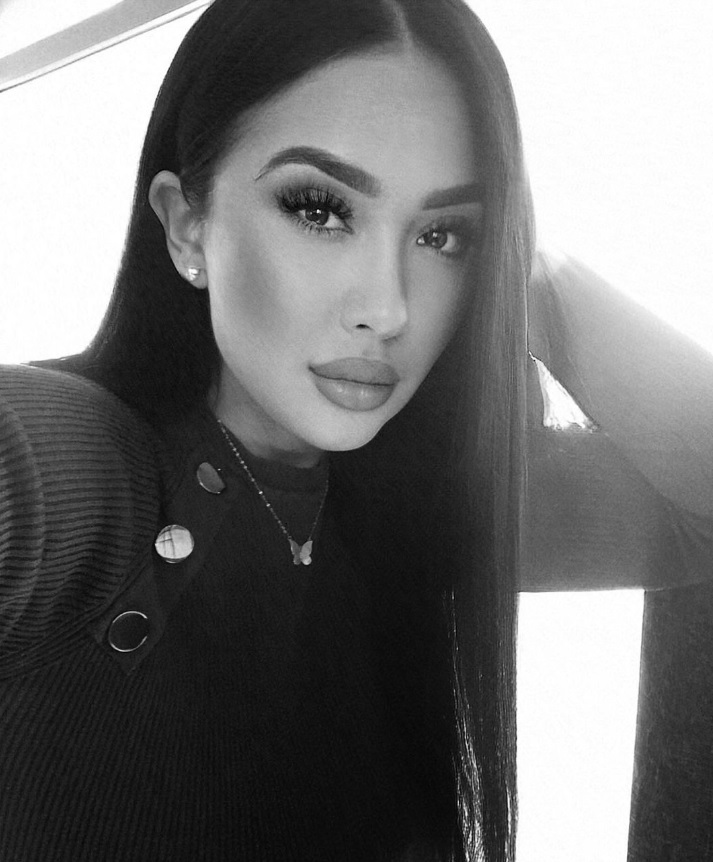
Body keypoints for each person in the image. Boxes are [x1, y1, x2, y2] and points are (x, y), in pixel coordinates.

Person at [1, 1, 711, 861]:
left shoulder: (424, 508)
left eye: (442, 235)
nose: (388, 308)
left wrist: (523, 264)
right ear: (188, 225)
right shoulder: (67, 459)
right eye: (319, 209)